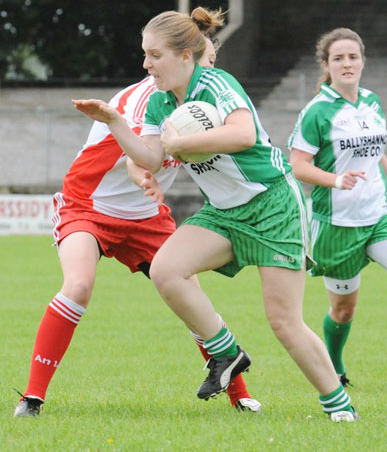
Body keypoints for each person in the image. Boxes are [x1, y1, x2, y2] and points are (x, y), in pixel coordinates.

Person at [72, 7, 360, 422]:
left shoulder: (216, 82)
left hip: (273, 206)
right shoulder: (159, 102)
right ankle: (226, 352)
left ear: (185, 56)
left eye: (154, 55)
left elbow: (243, 134)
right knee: (166, 270)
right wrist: (116, 121)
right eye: (145, 54)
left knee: (283, 322)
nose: (146, 64)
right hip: (224, 212)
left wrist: (184, 143)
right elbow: (151, 157)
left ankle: (339, 407)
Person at [13, 37, 261, 418]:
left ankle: (240, 396)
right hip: (89, 204)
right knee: (78, 285)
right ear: (185, 58)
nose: (210, 71)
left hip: (145, 215)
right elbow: (137, 156)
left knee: (190, 297)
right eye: (206, 62)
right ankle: (31, 398)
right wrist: (145, 175)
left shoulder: (204, 100)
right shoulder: (148, 97)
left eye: (213, 63)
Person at [287, 27, 387, 388]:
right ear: (326, 65)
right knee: (344, 310)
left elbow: (374, 148)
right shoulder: (317, 112)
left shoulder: (371, 100)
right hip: (337, 224)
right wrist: (336, 180)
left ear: (362, 61)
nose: (347, 63)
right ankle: (336, 369)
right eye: (338, 58)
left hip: (380, 214)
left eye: (353, 57)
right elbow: (297, 165)